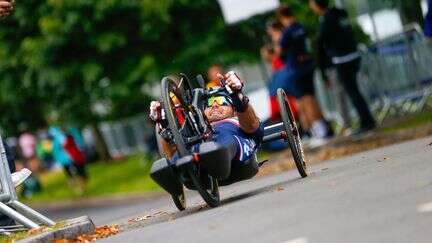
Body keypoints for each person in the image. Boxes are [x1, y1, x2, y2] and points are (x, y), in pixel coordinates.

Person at [150, 71, 264, 170]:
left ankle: (214, 156)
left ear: (234, 110)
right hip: (200, 147)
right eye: (209, 104)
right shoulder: (197, 127)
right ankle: (173, 169)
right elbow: (171, 152)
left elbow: (251, 126)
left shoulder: (239, 120)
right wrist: (163, 123)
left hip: (231, 146)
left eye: (220, 101)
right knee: (182, 146)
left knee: (224, 137)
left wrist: (237, 96)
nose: (214, 105)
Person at [309, 0, 376, 134]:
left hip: (342, 60)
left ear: (317, 5)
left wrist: (323, 73)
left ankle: (367, 121)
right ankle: (367, 119)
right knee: (355, 90)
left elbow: (321, 46)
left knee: (353, 92)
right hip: (353, 56)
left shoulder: (326, 20)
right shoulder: (340, 14)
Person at [274, 6, 333, 147]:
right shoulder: (301, 26)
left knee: (305, 101)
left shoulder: (287, 32)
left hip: (295, 69)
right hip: (308, 65)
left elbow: (279, 52)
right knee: (312, 98)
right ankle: (323, 129)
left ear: (281, 17)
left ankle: (319, 133)